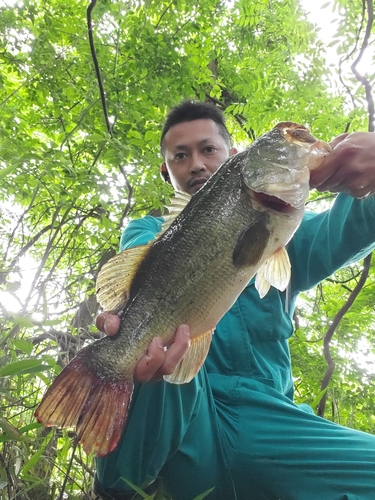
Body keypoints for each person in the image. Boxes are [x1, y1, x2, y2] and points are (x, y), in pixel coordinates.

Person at [93, 101, 375, 500]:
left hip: (275, 425)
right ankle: (121, 486)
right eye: (180, 156)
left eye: (208, 149)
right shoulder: (147, 231)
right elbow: (141, 290)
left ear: (235, 157)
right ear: (166, 172)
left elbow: (354, 224)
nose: (195, 164)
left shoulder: (285, 231)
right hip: (180, 421)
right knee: (159, 344)